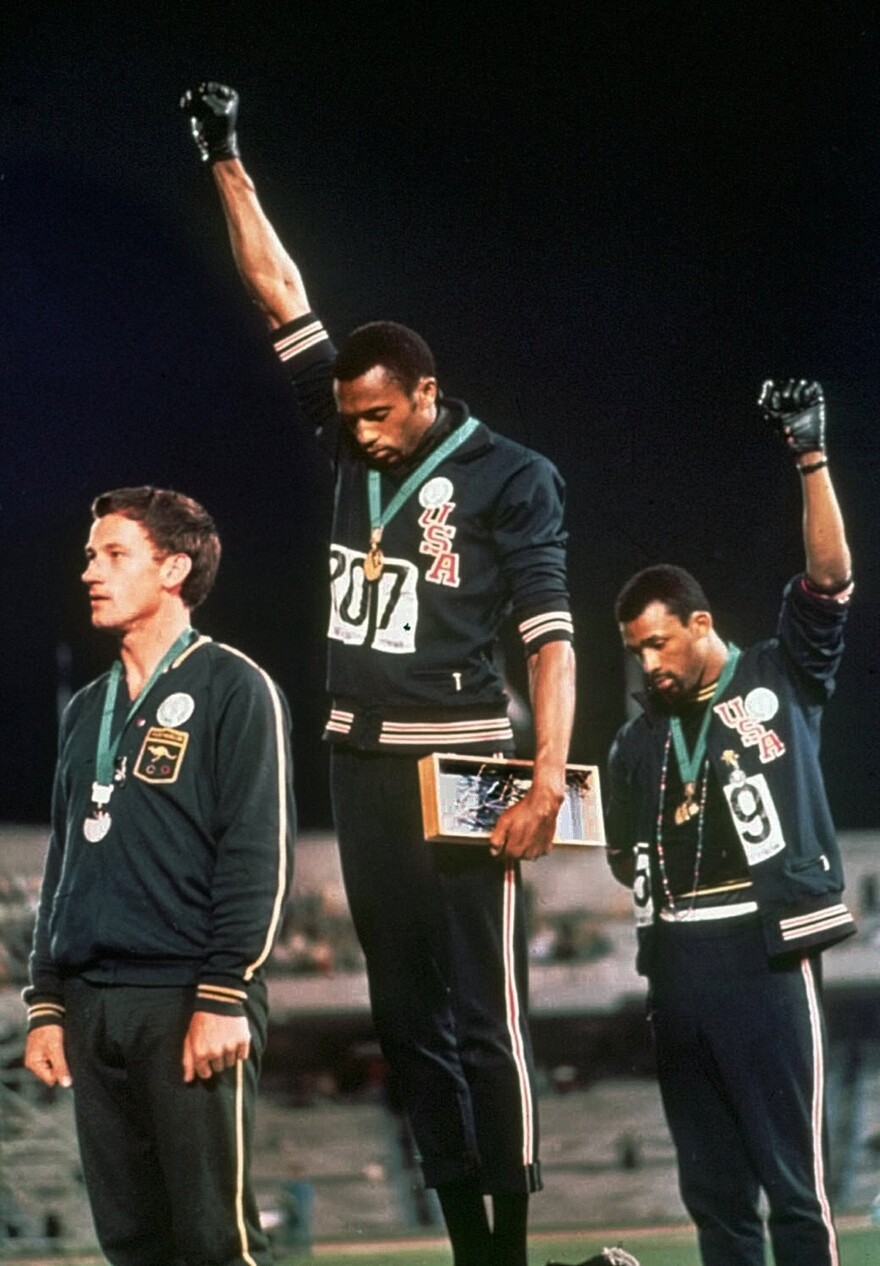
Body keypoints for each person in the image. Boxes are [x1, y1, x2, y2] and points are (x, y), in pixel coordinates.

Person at [180, 83, 576, 1266]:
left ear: (425, 395)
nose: (355, 435)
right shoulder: (350, 427)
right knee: (407, 1023)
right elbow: (281, 297)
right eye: (345, 419)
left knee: (484, 1017)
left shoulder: (514, 478)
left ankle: (508, 1242)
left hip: (462, 765)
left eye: (375, 417)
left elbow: (551, 638)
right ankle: (465, 1243)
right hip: (358, 761)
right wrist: (226, 158)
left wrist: (546, 776)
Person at [605, 380, 854, 1266]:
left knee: (793, 1189)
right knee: (713, 1198)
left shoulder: (779, 678)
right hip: (673, 966)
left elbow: (829, 581)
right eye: (635, 649)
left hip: (763, 952)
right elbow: (616, 853)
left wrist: (810, 456)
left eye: (659, 643)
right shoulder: (636, 742)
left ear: (701, 624)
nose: (648, 662)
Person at [23, 486, 295, 1266]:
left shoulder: (234, 688)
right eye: (89, 556)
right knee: (133, 1244)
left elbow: (256, 854)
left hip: (187, 1000)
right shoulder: (86, 711)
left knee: (217, 1243)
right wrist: (46, 1003)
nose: (90, 573)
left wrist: (223, 992)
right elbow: (64, 862)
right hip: (89, 1004)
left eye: (114, 555)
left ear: (174, 568)